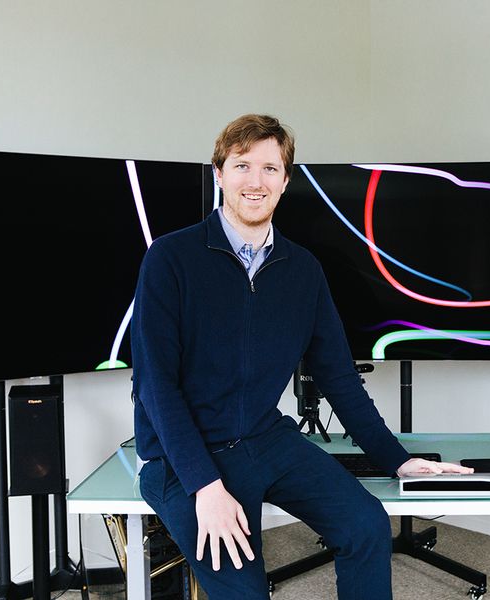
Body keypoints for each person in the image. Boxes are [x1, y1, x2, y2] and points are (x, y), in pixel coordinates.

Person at [131, 114, 471, 600]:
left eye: (270, 168)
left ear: (285, 181)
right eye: (242, 165)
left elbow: (340, 378)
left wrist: (396, 460)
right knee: (246, 592)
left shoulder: (303, 270)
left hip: (266, 439)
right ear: (219, 174)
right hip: (184, 458)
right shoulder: (169, 259)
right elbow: (156, 385)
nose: (256, 181)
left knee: (367, 526)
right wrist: (205, 487)